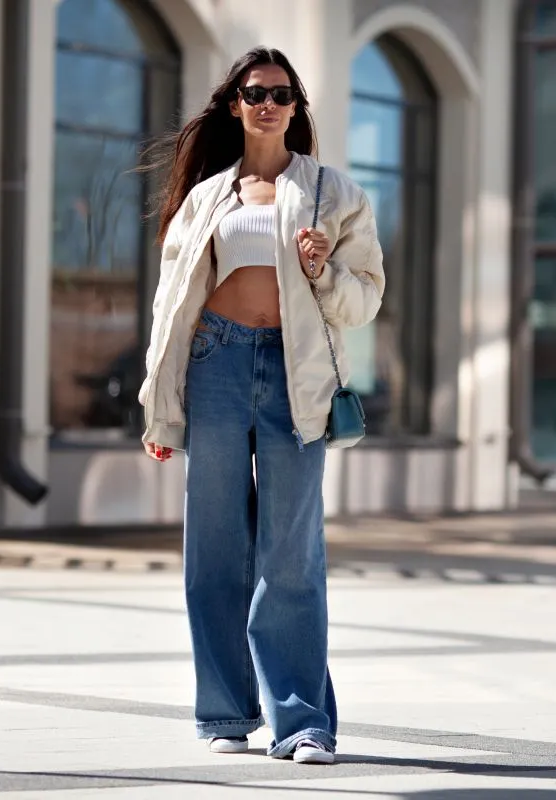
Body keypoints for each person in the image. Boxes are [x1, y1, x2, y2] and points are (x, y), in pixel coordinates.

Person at [137, 47, 385, 765]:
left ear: (296, 108)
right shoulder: (207, 197)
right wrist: (161, 406)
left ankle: (303, 722)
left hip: (294, 373)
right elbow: (170, 307)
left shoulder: (334, 193)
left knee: (290, 555)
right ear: (236, 105)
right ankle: (223, 712)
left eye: (281, 93)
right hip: (214, 364)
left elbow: (365, 296)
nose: (269, 103)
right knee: (213, 547)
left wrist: (322, 266)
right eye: (255, 92)